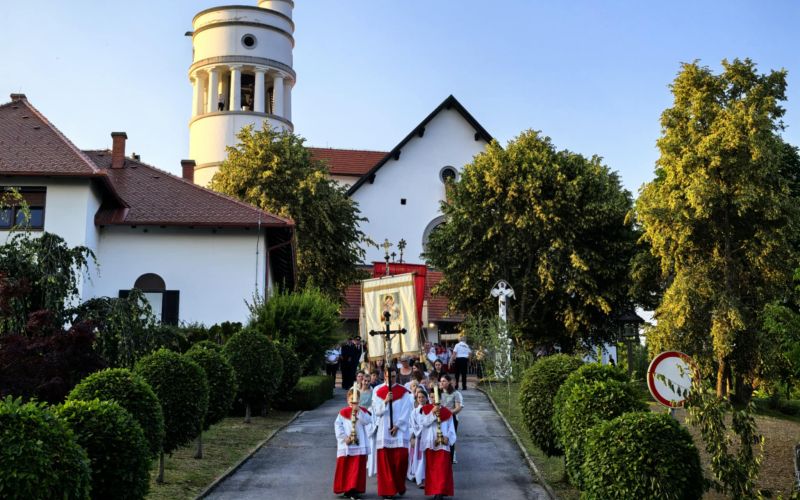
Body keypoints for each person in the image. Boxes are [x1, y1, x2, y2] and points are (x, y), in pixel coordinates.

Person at [370, 367, 413, 499]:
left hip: (399, 431)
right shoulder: (378, 391)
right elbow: (376, 411)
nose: (391, 379)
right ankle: (387, 490)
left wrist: (398, 425)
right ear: (385, 376)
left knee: (401, 460)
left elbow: (407, 410)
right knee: (385, 463)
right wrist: (385, 401)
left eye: (394, 376)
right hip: (384, 431)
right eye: (389, 376)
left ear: (397, 376)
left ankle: (399, 485)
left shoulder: (404, 392)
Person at [417, 388, 457, 500]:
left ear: (440, 398)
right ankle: (435, 491)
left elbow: (451, 429)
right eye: (432, 397)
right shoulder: (425, 410)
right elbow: (423, 423)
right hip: (431, 444)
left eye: (435, 396)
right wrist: (432, 413)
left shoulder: (447, 412)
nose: (433, 399)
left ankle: (440, 491)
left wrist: (447, 438)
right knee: (433, 469)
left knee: (442, 469)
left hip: (443, 444)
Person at [333, 387, 372, 500]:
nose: (353, 402)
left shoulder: (363, 411)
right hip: (347, 445)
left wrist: (358, 411)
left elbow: (367, 421)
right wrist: (344, 438)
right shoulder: (342, 413)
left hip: (359, 445)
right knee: (347, 468)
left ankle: (354, 490)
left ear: (359, 400)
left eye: (356, 399)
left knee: (356, 468)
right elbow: (338, 426)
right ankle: (347, 489)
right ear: (348, 400)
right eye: (351, 399)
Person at [439, 374, 463, 464]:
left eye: (444, 381)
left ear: (449, 382)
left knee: (450, 437)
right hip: (440, 418)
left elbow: (458, 407)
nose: (442, 383)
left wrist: (448, 413)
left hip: (451, 417)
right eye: (441, 381)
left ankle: (451, 457)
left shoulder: (455, 393)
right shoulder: (438, 393)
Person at [407, 388, 429, 489]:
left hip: (427, 437)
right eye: (419, 397)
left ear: (426, 398)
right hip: (418, 438)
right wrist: (412, 437)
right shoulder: (414, 412)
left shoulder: (430, 410)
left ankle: (425, 478)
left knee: (425, 458)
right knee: (418, 458)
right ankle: (417, 476)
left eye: (423, 397)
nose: (421, 399)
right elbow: (411, 425)